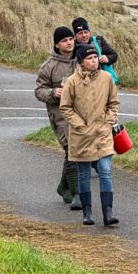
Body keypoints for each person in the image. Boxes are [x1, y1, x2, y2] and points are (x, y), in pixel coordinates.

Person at [59, 42, 120, 227]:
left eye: (95, 57)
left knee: (105, 171)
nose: (94, 61)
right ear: (81, 62)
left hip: (102, 133)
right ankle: (87, 212)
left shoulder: (106, 78)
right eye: (89, 58)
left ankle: (108, 212)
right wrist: (80, 125)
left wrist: (108, 121)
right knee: (84, 174)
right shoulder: (72, 81)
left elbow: (113, 103)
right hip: (82, 135)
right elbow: (65, 107)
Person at [35, 26, 80, 208]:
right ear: (56, 45)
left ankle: (63, 186)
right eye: (64, 40)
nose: (69, 43)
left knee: (79, 151)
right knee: (71, 150)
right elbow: (39, 91)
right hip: (60, 115)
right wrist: (53, 92)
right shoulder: (49, 66)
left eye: (70, 39)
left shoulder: (82, 59)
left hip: (82, 113)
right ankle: (77, 194)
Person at [71, 17, 119, 83]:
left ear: (90, 33)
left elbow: (114, 55)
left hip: (101, 81)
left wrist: (107, 58)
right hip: (80, 82)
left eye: (86, 32)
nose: (84, 35)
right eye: (80, 33)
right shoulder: (71, 45)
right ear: (75, 36)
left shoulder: (98, 41)